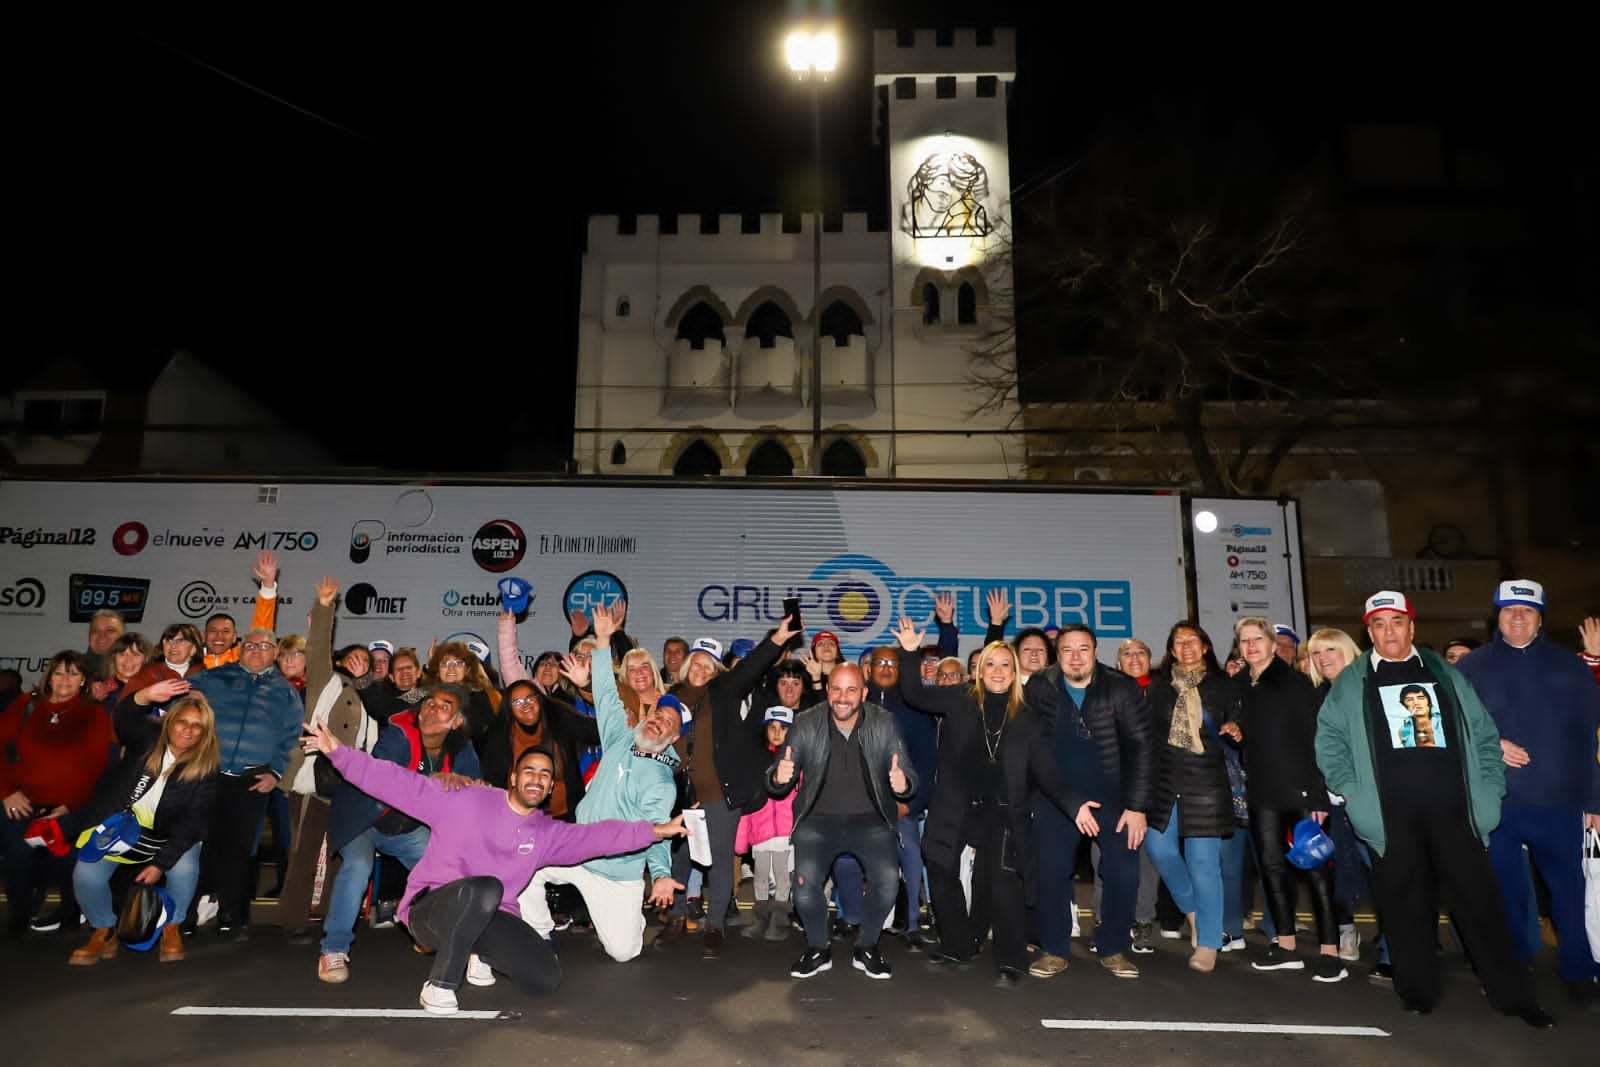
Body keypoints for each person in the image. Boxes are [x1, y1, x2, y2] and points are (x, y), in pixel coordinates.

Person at [302, 715, 686, 1013]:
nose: (537, 779)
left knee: (543, 978)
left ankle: (478, 951)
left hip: (488, 915)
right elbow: (395, 782)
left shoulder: (546, 833)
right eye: (530, 771)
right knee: (486, 887)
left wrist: (657, 830)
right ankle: (440, 985)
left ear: (550, 788)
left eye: (545, 776)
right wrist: (339, 752)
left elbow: (599, 836)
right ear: (513, 777)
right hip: (430, 912)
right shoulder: (463, 797)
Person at [1314, 590, 1555, 1027]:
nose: (1389, 632)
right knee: (1404, 909)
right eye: (1379, 625)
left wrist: (1490, 791)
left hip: (1455, 812)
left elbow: (1483, 733)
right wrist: (1350, 792)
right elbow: (1329, 741)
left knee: (1482, 907)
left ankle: (1514, 996)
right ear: (1369, 633)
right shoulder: (1353, 681)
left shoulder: (1443, 672)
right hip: (1389, 818)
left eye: (1397, 622)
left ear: (1412, 626)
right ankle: (1418, 991)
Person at [516, 602, 687, 963]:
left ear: (672, 738)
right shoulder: (619, 736)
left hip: (616, 871)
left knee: (623, 952)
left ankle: (631, 924)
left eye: (669, 723)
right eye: (658, 713)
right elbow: (607, 693)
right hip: (576, 847)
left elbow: (657, 833)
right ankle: (540, 932)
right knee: (524, 860)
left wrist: (660, 875)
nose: (659, 720)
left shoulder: (661, 783)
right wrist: (605, 639)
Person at [1456, 580, 1600, 1006]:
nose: (1517, 617)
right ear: (1497, 615)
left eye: (1527, 610)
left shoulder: (1569, 667)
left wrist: (1595, 800)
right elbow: (1453, 727)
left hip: (1560, 803)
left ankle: (1579, 971)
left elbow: (1592, 737)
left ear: (1540, 618)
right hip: (1495, 803)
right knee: (1503, 895)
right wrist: (1492, 744)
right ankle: (1513, 967)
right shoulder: (1471, 667)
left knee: (1570, 893)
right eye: (1509, 609)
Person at [119, 629, 303, 938]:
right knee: (196, 844)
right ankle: (185, 913)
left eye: (265, 646)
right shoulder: (214, 677)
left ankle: (232, 914)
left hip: (252, 780)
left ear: (275, 653)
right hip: (206, 773)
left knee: (238, 850)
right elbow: (174, 698)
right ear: (239, 649)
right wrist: (188, 697)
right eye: (250, 645)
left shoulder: (286, 692)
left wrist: (276, 773)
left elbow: (291, 739)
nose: (256, 650)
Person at [316, 681, 479, 982]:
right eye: (429, 703)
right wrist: (434, 780)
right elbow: (386, 780)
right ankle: (333, 950)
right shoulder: (398, 733)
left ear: (457, 722)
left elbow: (475, 791)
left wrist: (472, 786)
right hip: (363, 819)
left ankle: (442, 937)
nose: (433, 709)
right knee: (358, 866)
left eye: (444, 707)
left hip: (405, 828)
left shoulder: (462, 749)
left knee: (448, 874)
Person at [767, 662, 917, 980]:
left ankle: (867, 947)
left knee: (888, 882)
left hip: (872, 820)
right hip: (817, 819)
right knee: (804, 885)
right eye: (836, 689)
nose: (842, 697)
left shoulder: (884, 722)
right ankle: (818, 948)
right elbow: (778, 772)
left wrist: (903, 784)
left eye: (851, 690)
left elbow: (905, 771)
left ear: (864, 693)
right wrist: (779, 778)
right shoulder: (806, 722)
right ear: (827, 690)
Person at [1021, 623, 1155, 981]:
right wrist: (1069, 802)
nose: (1076, 657)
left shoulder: (1121, 687)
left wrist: (1137, 806)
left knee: (1124, 873)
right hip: (1056, 795)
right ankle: (1054, 949)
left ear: (1096, 651)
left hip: (1115, 799)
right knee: (1051, 873)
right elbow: (1035, 752)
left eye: (1083, 648)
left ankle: (1113, 948)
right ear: (1057, 654)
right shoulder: (1040, 687)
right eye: (1067, 649)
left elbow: (1143, 748)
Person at [662, 617, 800, 957]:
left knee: (721, 858)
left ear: (716, 672)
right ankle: (676, 917)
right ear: (687, 665)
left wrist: (777, 638)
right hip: (683, 792)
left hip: (720, 791)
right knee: (680, 857)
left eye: (709, 667)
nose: (701, 670)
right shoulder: (671, 697)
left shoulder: (723, 692)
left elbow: (750, 668)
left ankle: (715, 925)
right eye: (697, 663)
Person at [53, 692, 220, 964]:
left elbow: (192, 824)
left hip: (170, 836)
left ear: (205, 733)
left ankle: (171, 927)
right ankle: (104, 931)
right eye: (182, 721)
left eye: (197, 725)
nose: (188, 730)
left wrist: (160, 865)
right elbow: (125, 718)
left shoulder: (206, 769)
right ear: (169, 722)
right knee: (86, 875)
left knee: (185, 870)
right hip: (122, 828)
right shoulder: (147, 742)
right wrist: (145, 695)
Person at [1229, 617, 1343, 981]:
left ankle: (1330, 951)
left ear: (1271, 642)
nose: (1251, 646)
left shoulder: (1295, 684)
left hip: (1300, 791)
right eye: (1244, 641)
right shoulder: (1241, 684)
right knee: (1272, 869)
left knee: (1315, 869)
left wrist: (1318, 798)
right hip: (1262, 792)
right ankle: (1287, 945)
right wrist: (1235, 729)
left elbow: (1315, 740)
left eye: (1257, 639)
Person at [275, 578, 378, 943]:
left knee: (337, 852)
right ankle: (292, 917)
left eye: (366, 660)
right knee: (304, 850)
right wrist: (324, 608)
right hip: (314, 778)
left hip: (352, 785)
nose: (358, 663)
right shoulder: (325, 681)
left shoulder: (374, 698)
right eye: (352, 658)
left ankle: (329, 914)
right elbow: (318, 647)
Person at [1142, 622, 1238, 973]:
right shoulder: (1159, 688)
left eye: (1192, 640)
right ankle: (1195, 912)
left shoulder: (1223, 685)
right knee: (1159, 849)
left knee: (1203, 863)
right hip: (1165, 781)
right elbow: (1147, 735)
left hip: (1206, 781)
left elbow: (1240, 717)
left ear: (1205, 646)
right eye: (1178, 642)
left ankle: (1209, 942)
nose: (1186, 647)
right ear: (1171, 651)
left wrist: (1236, 727)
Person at [1, 651, 116, 938]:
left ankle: (70, 911)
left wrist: (70, 805)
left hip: (69, 805)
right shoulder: (26, 704)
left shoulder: (94, 713)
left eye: (73, 673)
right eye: (59, 672)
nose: (65, 679)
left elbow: (95, 765)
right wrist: (7, 792)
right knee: (17, 856)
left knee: (65, 859)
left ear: (83, 681)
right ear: (49, 676)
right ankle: (20, 913)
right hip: (21, 800)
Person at [736, 706, 799, 941]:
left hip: (786, 832)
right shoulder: (754, 761)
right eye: (772, 727)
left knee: (782, 877)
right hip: (760, 832)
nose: (777, 733)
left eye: (783, 728)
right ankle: (761, 916)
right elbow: (746, 802)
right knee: (761, 877)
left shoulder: (799, 761)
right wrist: (741, 839)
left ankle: (779, 918)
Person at [83, 609, 125, 681]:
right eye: (95, 630)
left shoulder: (136, 671)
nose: (102, 635)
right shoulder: (75, 668)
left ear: (122, 637)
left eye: (110, 630)